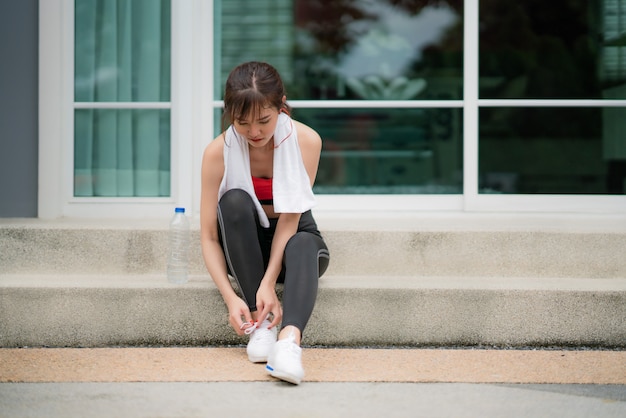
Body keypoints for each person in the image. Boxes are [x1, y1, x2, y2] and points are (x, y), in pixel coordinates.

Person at [200, 61, 330, 385]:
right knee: (233, 202)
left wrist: (269, 282)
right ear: (230, 113)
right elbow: (209, 236)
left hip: (294, 242)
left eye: (264, 120)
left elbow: (289, 221)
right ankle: (261, 325)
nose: (254, 133)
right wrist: (233, 298)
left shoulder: (307, 142)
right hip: (245, 249)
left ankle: (288, 343)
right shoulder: (218, 152)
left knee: (301, 242)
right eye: (242, 123)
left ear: (281, 105)